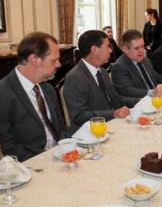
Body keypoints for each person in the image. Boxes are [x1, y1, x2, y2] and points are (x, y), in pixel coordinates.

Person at [0, 32, 70, 161]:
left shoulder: (48, 89)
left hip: (61, 156)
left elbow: (60, 128)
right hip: (33, 166)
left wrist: (70, 147)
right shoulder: (3, 92)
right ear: (34, 59)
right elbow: (9, 148)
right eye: (54, 60)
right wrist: (46, 161)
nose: (59, 64)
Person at [63, 30, 138, 133]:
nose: (111, 50)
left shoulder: (102, 71)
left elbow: (115, 99)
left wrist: (142, 100)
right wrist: (113, 113)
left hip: (112, 126)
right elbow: (79, 115)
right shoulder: (74, 77)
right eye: (107, 46)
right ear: (94, 50)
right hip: (90, 133)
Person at [111, 30, 162, 98]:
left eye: (142, 47)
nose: (141, 51)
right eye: (136, 48)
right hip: (138, 107)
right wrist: (152, 92)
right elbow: (127, 91)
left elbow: (156, 77)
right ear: (125, 49)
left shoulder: (145, 60)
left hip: (156, 101)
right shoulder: (119, 67)